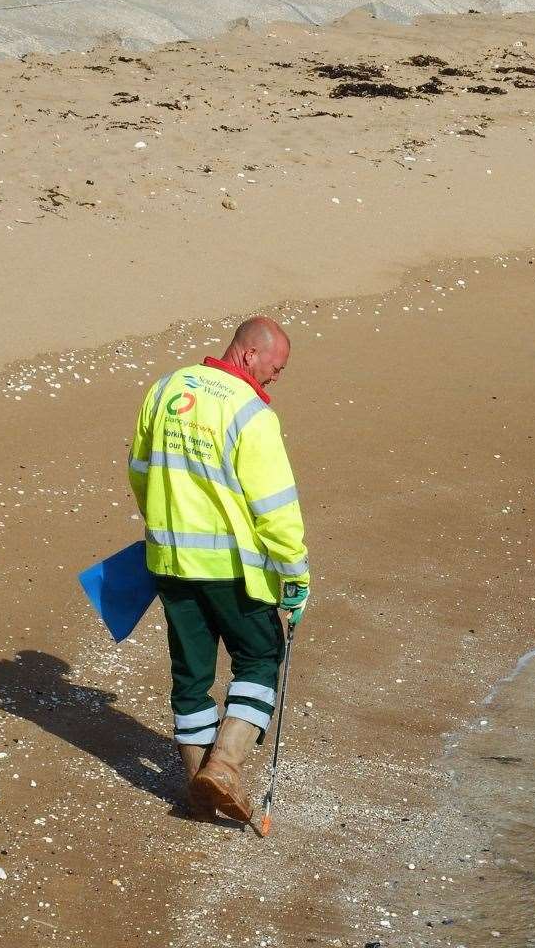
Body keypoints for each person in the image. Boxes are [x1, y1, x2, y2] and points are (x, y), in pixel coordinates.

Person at [127, 316, 309, 822]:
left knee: (190, 674)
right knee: (258, 659)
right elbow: (275, 507)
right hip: (230, 569)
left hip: (168, 560)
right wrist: (295, 576)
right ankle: (224, 768)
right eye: (277, 366)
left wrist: (160, 525)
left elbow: (140, 471)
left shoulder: (166, 388)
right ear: (250, 355)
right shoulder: (250, 414)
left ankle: (195, 786)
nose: (276, 377)